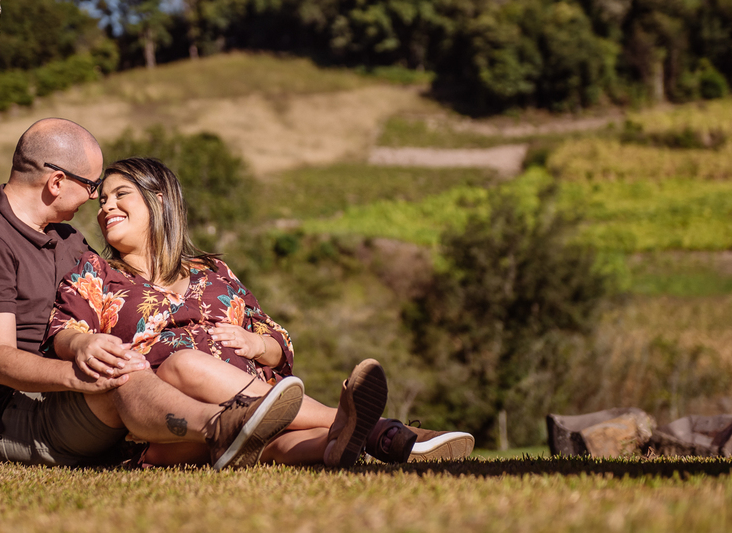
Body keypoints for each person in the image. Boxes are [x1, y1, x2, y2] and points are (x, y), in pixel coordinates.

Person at [44, 156, 475, 466]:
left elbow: (279, 342)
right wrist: (82, 341)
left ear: (159, 200)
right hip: (170, 427)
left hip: (252, 422)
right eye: (101, 201)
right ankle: (375, 427)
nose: (105, 208)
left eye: (120, 195)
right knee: (186, 363)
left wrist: (257, 342)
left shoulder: (212, 270)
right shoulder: (96, 271)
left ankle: (338, 444)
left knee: (282, 444)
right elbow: (63, 327)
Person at [0, 118, 303, 470]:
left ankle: (324, 429)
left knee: (129, 368)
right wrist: (83, 373)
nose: (96, 198)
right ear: (57, 182)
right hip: (20, 412)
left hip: (81, 399)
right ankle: (222, 426)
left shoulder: (67, 241)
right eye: (92, 186)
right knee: (124, 373)